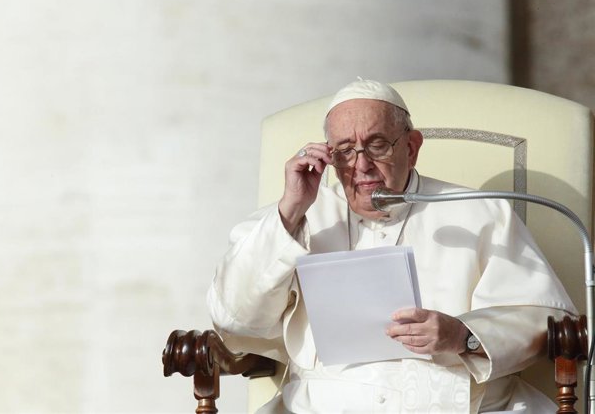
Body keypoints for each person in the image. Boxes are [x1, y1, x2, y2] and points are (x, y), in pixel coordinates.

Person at [207, 79, 576, 413]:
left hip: (455, 402)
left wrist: (463, 337)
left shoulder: (480, 211)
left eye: (377, 145)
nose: (362, 165)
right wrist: (289, 211)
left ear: (412, 148)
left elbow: (544, 319)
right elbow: (234, 314)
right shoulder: (299, 214)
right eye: (345, 151)